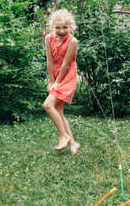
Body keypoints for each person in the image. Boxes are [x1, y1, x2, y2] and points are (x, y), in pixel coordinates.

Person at [43, 9, 80, 155]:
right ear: (53, 27)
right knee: (58, 110)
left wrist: (57, 82)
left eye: (65, 27)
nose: (61, 31)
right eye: (58, 27)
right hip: (55, 77)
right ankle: (72, 143)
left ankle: (63, 136)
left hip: (67, 77)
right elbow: (49, 61)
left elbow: (65, 64)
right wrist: (51, 81)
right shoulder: (48, 39)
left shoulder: (73, 42)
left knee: (48, 105)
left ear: (70, 27)